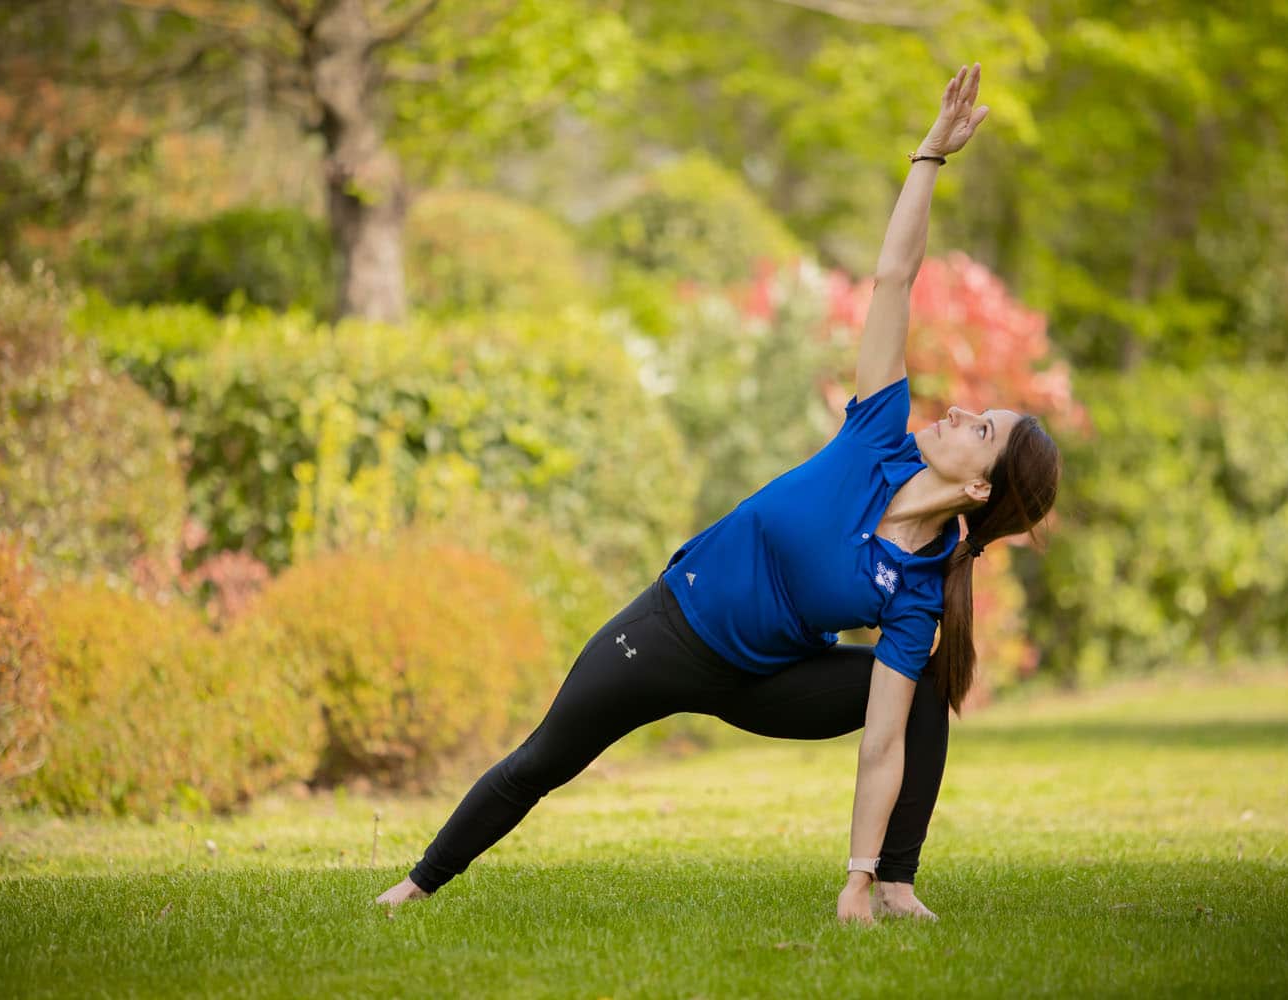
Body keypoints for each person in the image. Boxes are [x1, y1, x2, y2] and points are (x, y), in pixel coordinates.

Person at [376, 62, 1061, 923]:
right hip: (669, 628)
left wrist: (854, 873)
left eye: (982, 430)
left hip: (764, 683)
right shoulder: (877, 437)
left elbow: (881, 741)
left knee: (920, 695)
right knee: (544, 758)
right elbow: (894, 280)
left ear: (975, 487)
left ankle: (892, 885)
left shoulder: (919, 593)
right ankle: (413, 885)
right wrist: (929, 156)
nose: (960, 410)